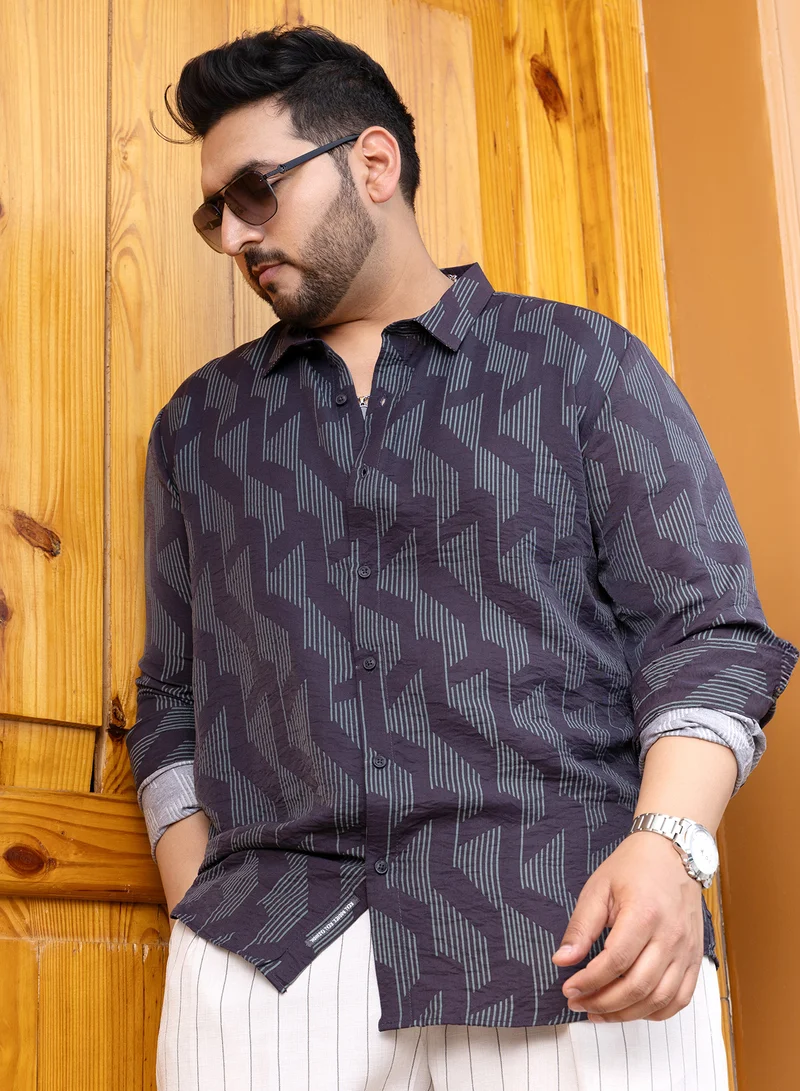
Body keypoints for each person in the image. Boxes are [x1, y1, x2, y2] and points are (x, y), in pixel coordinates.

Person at [127, 24, 797, 1091]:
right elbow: (172, 695)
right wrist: (200, 900)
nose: (233, 234)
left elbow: (706, 630)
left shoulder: (580, 364)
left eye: (255, 191)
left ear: (373, 163)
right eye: (215, 211)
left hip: (572, 936)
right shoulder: (199, 427)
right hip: (268, 962)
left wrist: (670, 846)